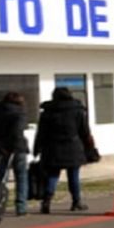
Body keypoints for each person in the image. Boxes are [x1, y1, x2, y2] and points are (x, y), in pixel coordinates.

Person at [33, 86, 92, 214]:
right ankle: (76, 202)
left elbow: (41, 133)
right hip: (73, 146)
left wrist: (36, 149)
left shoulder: (48, 112)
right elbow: (85, 132)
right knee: (74, 176)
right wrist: (90, 147)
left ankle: (47, 201)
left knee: (53, 175)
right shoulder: (77, 110)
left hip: (52, 148)